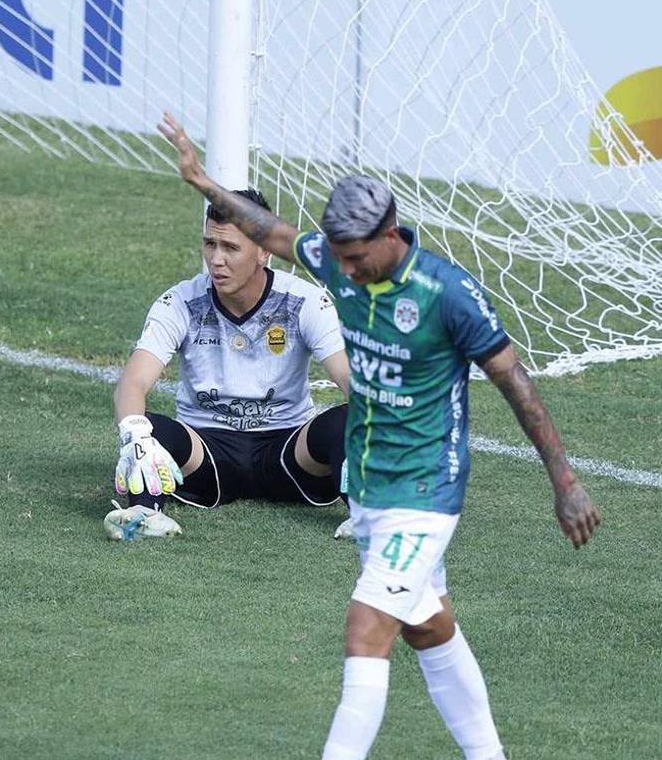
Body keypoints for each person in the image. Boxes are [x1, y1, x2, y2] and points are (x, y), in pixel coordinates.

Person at [157, 112, 601, 760]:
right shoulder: (339, 261)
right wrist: (203, 182)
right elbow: (273, 233)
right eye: (338, 259)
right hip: (369, 486)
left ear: (390, 235)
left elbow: (517, 384)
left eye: (357, 259)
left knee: (367, 628)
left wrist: (565, 482)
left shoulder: (448, 294)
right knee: (430, 627)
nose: (347, 272)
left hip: (426, 489)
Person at [105, 189, 352, 541]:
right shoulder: (180, 301)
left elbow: (350, 379)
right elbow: (132, 383)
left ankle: (370, 516)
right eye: (210, 244)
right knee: (149, 429)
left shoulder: (305, 301)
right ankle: (143, 514)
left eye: (231, 248)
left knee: (352, 420)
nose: (216, 260)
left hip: (287, 452)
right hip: (204, 452)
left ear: (264, 250)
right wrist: (134, 437)